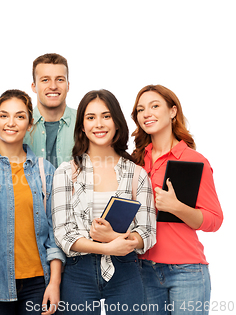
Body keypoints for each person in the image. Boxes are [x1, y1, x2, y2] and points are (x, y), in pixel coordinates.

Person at [52, 89, 156, 315]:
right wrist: (107, 247)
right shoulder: (65, 173)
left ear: (117, 122)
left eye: (106, 116)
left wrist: (116, 239)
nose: (98, 124)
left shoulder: (136, 174)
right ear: (82, 126)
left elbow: (147, 233)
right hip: (78, 272)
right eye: (91, 118)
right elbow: (63, 233)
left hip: (125, 269)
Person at [0, 89, 65, 315]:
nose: (11, 123)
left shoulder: (45, 171)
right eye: (4, 115)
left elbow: (55, 234)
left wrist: (54, 283)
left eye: (19, 116)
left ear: (30, 125)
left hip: (39, 285)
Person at [131, 84, 223, 315]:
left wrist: (177, 207)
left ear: (172, 111)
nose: (147, 114)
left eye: (155, 106)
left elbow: (214, 220)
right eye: (141, 110)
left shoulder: (193, 160)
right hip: (142, 269)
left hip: (187, 272)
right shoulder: (136, 162)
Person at [0, 53, 77, 168]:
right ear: (34, 86)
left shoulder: (84, 122)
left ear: (68, 85)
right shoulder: (11, 128)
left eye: (60, 79)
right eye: (45, 80)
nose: (53, 86)